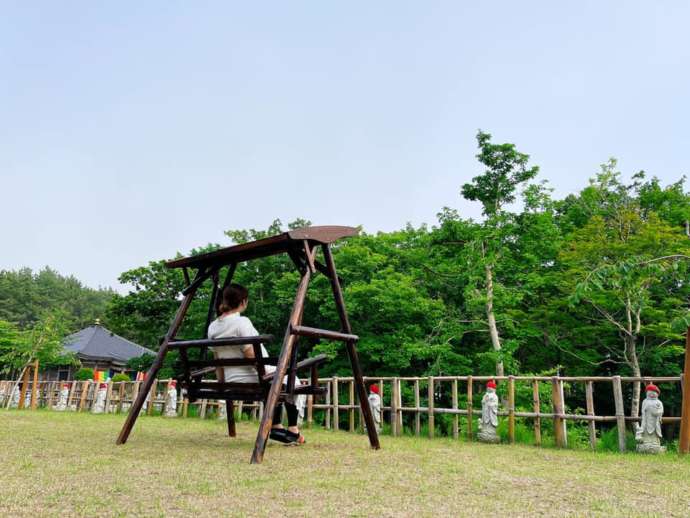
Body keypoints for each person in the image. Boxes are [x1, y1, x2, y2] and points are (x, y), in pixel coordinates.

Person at [208, 283, 305, 445]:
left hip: (232, 379)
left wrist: (222, 383)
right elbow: (252, 356)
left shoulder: (213, 327)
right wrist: (267, 375)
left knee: (280, 378)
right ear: (243, 302)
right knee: (291, 379)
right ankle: (293, 428)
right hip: (253, 377)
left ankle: (277, 425)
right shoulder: (242, 322)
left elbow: (218, 360)